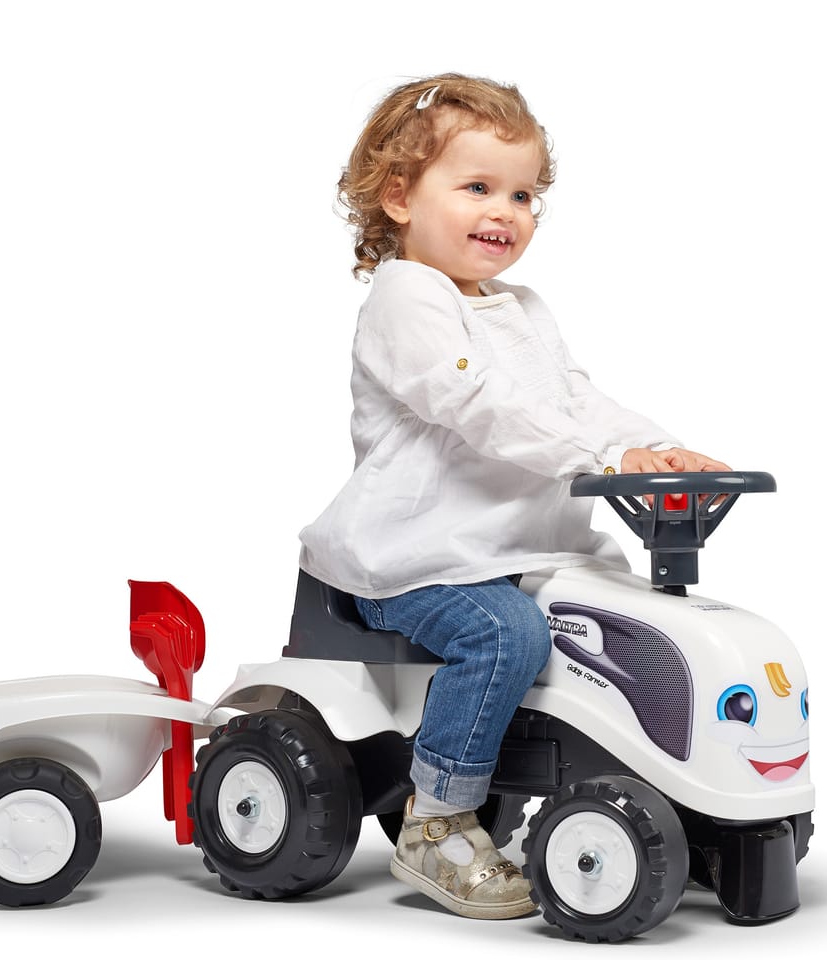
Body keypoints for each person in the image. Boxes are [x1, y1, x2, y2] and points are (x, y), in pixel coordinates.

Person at [298, 73, 728, 920]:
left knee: (625, 624)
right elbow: (476, 405)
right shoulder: (407, 300)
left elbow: (575, 399)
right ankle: (438, 821)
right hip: (419, 558)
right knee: (505, 635)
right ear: (399, 196)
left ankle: (678, 800)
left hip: (521, 550)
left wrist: (655, 448)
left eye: (523, 194)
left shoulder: (523, 310)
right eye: (477, 187)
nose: (506, 211)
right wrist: (604, 455)